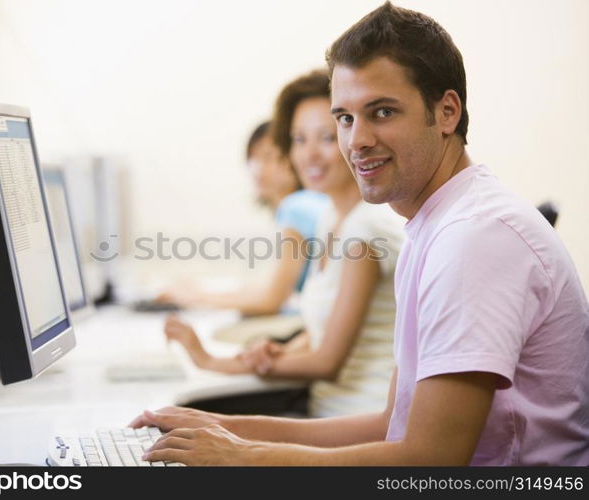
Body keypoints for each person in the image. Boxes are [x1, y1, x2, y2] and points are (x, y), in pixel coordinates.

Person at [131, 1, 589, 466]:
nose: (356, 140)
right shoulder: (433, 227)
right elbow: (392, 425)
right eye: (345, 118)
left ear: (447, 111)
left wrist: (246, 457)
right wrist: (220, 428)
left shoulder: (472, 238)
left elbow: (431, 460)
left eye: (383, 112)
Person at [164, 69, 405, 418]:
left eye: (325, 137)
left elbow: (327, 363)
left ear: (352, 137)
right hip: (324, 413)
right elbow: (320, 335)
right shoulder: (331, 217)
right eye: (298, 139)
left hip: (354, 425)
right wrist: (277, 353)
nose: (309, 155)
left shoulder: (364, 232)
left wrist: (211, 360)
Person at [158, 121, 327, 315]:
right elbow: (271, 289)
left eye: (269, 156)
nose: (258, 168)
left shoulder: (296, 208)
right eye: (253, 158)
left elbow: (271, 299)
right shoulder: (308, 205)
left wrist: (193, 297)